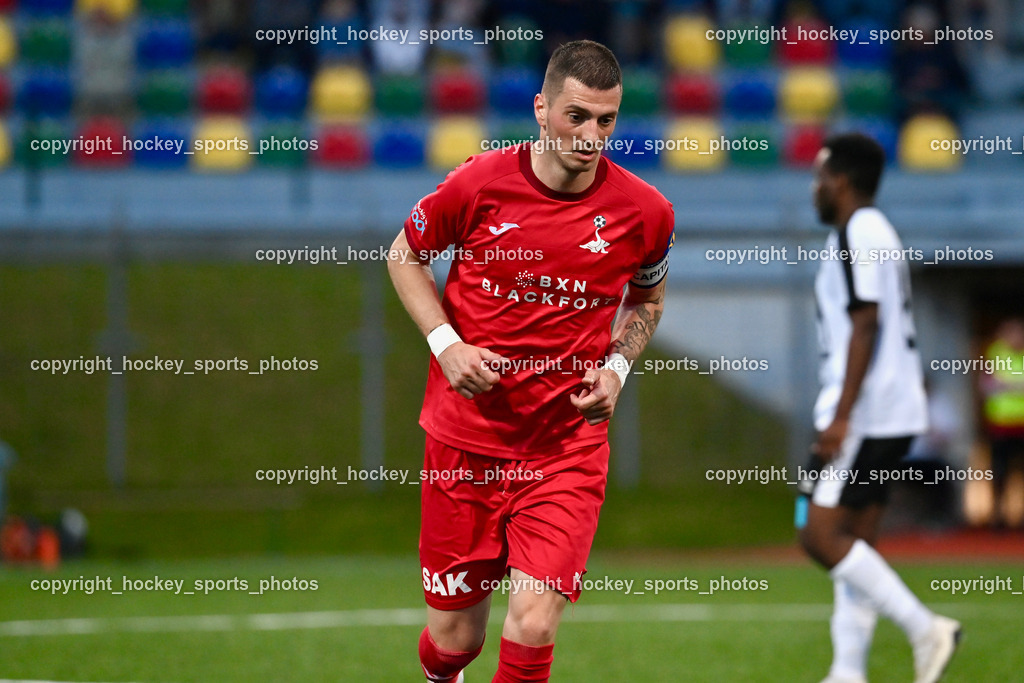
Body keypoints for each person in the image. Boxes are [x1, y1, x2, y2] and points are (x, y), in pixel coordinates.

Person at [387, 40, 674, 683]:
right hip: (466, 442)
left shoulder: (646, 212)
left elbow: (647, 301)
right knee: (454, 639)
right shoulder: (479, 182)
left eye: (606, 121)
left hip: (564, 448)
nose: (591, 135)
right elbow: (403, 254)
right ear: (541, 109)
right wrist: (446, 344)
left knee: (536, 620)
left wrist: (617, 370)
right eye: (577, 116)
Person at [798, 133, 961, 683]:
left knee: (818, 536)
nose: (815, 188)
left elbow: (866, 323)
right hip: (892, 409)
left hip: (868, 411)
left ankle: (925, 628)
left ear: (840, 182)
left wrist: (841, 416)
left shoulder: (860, 229)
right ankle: (848, 672)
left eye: (820, 177)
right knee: (855, 543)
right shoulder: (875, 230)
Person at [979, 317, 1024, 528]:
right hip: (1001, 424)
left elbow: (1001, 384)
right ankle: (998, 516)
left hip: (1021, 424)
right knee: (1000, 472)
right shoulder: (995, 354)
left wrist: (1008, 384)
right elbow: (987, 385)